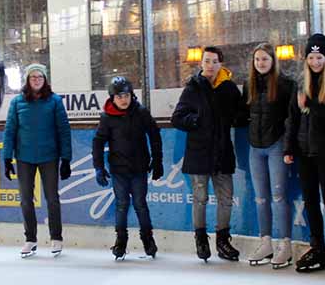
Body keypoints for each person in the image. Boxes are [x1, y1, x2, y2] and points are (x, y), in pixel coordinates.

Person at [171, 45, 246, 262]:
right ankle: (200, 238)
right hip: (199, 153)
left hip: (222, 152)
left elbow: (240, 114)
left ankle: (223, 240)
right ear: (201, 63)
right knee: (200, 197)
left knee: (225, 198)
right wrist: (195, 120)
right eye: (206, 61)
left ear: (220, 64)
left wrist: (231, 119)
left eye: (214, 61)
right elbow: (177, 118)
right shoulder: (193, 88)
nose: (210, 65)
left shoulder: (229, 89)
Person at [283, 34, 325, 275]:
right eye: (311, 57)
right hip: (304, 152)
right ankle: (318, 246)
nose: (315, 62)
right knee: (310, 201)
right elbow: (292, 118)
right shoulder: (301, 83)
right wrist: (289, 147)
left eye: (319, 57)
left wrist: (311, 103)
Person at [3, 63, 73, 258]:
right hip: (24, 157)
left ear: (45, 80)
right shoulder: (17, 102)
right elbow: (10, 131)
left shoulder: (55, 101)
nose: (36, 80)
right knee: (26, 199)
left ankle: (56, 237)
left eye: (39, 77)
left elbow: (63, 131)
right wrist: (7, 157)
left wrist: (66, 158)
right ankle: (30, 239)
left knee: (52, 198)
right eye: (33, 77)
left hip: (49, 156)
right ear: (27, 80)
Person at [92, 76, 164, 260]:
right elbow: (98, 142)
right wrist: (98, 167)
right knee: (122, 205)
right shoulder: (107, 117)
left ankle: (148, 239)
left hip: (139, 168)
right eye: (119, 97)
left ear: (132, 95)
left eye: (126, 95)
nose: (123, 100)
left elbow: (154, 135)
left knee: (140, 204)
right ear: (112, 98)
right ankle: (121, 240)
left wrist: (157, 161)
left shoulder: (140, 112)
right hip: (119, 170)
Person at [245, 43, 296, 268]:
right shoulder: (249, 84)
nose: (261, 63)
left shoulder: (286, 85)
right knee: (260, 198)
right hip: (255, 147)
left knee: (278, 196)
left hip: (276, 145)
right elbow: (242, 112)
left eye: (265, 59)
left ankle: (285, 244)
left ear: (273, 61)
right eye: (257, 60)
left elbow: (291, 118)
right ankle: (265, 240)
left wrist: (288, 147)